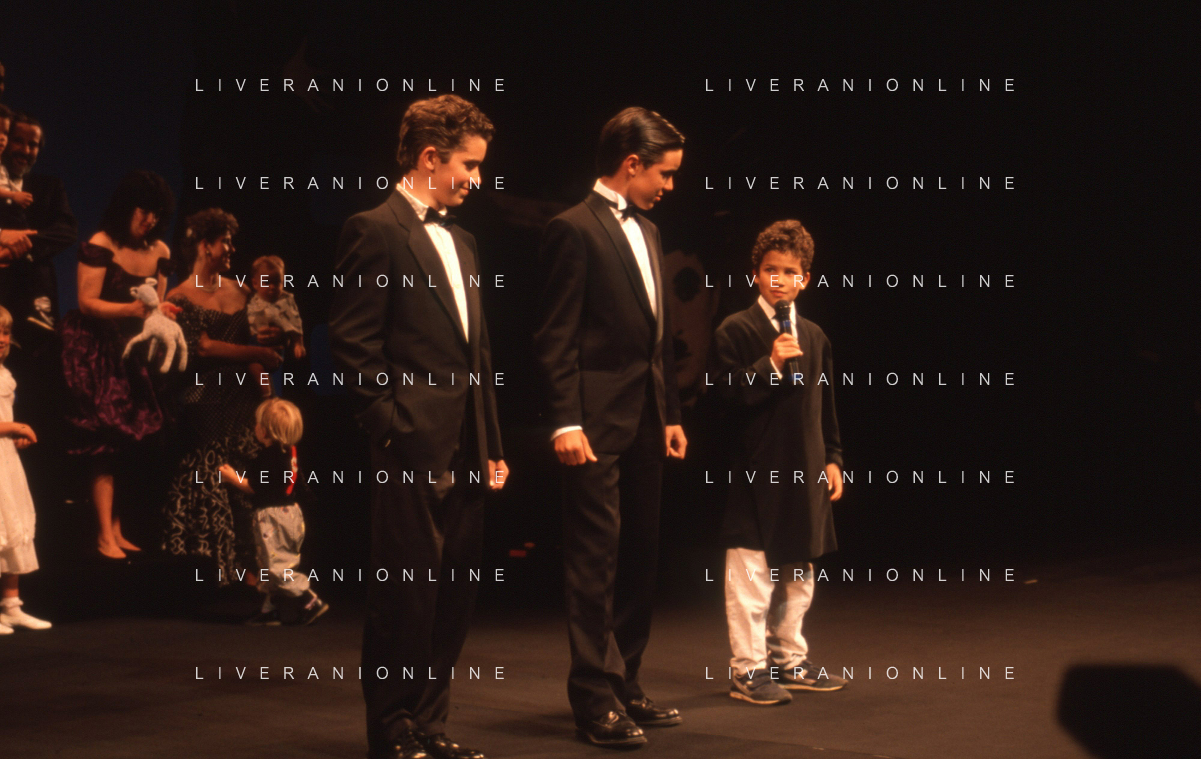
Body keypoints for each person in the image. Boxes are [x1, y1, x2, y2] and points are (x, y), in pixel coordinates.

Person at [329, 94, 507, 759]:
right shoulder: (374, 229)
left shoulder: (463, 241)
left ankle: (430, 723)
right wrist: (393, 427)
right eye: (469, 164)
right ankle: (393, 728)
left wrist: (490, 445)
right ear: (430, 157)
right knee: (404, 594)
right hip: (409, 445)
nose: (476, 179)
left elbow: (477, 354)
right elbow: (354, 345)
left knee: (453, 593)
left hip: (464, 447)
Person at [533, 107, 688, 748]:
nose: (670, 185)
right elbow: (556, 336)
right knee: (594, 560)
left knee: (639, 556)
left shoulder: (648, 229)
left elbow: (658, 337)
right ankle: (593, 698)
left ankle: (627, 682)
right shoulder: (573, 229)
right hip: (593, 424)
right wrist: (564, 421)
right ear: (632, 164)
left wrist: (670, 412)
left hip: (646, 417)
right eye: (664, 173)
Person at [712, 220, 848, 705]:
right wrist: (769, 365)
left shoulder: (814, 336)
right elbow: (722, 397)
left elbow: (825, 405)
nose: (779, 280)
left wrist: (832, 456)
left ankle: (788, 659)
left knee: (798, 574)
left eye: (790, 272)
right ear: (756, 273)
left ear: (804, 279)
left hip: (804, 468)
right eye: (771, 270)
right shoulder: (735, 329)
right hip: (755, 471)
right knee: (751, 578)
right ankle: (747, 669)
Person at [59, 170, 176, 559]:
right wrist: (130, 310)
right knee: (105, 443)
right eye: (144, 211)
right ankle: (102, 534)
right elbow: (86, 302)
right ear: (127, 207)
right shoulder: (102, 243)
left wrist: (163, 313)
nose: (150, 220)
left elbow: (154, 305)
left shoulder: (160, 251)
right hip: (97, 350)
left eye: (157, 213)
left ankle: (117, 529)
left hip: (134, 351)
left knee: (130, 443)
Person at [163, 209, 282, 583]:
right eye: (225, 242)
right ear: (205, 245)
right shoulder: (179, 295)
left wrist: (266, 358)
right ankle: (214, 565)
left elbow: (254, 336)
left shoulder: (240, 290)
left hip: (243, 395)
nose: (231, 249)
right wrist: (256, 352)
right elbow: (203, 347)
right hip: (205, 395)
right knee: (212, 472)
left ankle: (251, 565)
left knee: (244, 472)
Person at [218, 397, 327, 626]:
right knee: (271, 564)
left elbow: (254, 487)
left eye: (258, 424)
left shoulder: (267, 457)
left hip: (273, 517)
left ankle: (309, 600)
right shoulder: (290, 452)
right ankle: (270, 609)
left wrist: (231, 478)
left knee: (277, 568)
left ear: (265, 431)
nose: (254, 427)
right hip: (291, 514)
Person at [0, 112, 77, 340]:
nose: (25, 150)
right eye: (18, 141)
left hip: (37, 296)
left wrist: (23, 244)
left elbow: (67, 229)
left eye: (32, 145)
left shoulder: (50, 186)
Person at [0, 305, 52, 633]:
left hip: (6, 462)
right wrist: (14, 427)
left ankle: (11, 606)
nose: (1, 338)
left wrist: (13, 435)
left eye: (5, 332)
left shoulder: (4, 374)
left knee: (12, 523)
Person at [246, 254, 304, 361]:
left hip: (276, 343)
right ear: (255, 283)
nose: (272, 287)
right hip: (253, 342)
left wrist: (298, 343)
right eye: (266, 282)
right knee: (254, 364)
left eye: (277, 282)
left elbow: (295, 322)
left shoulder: (285, 300)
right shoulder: (251, 299)